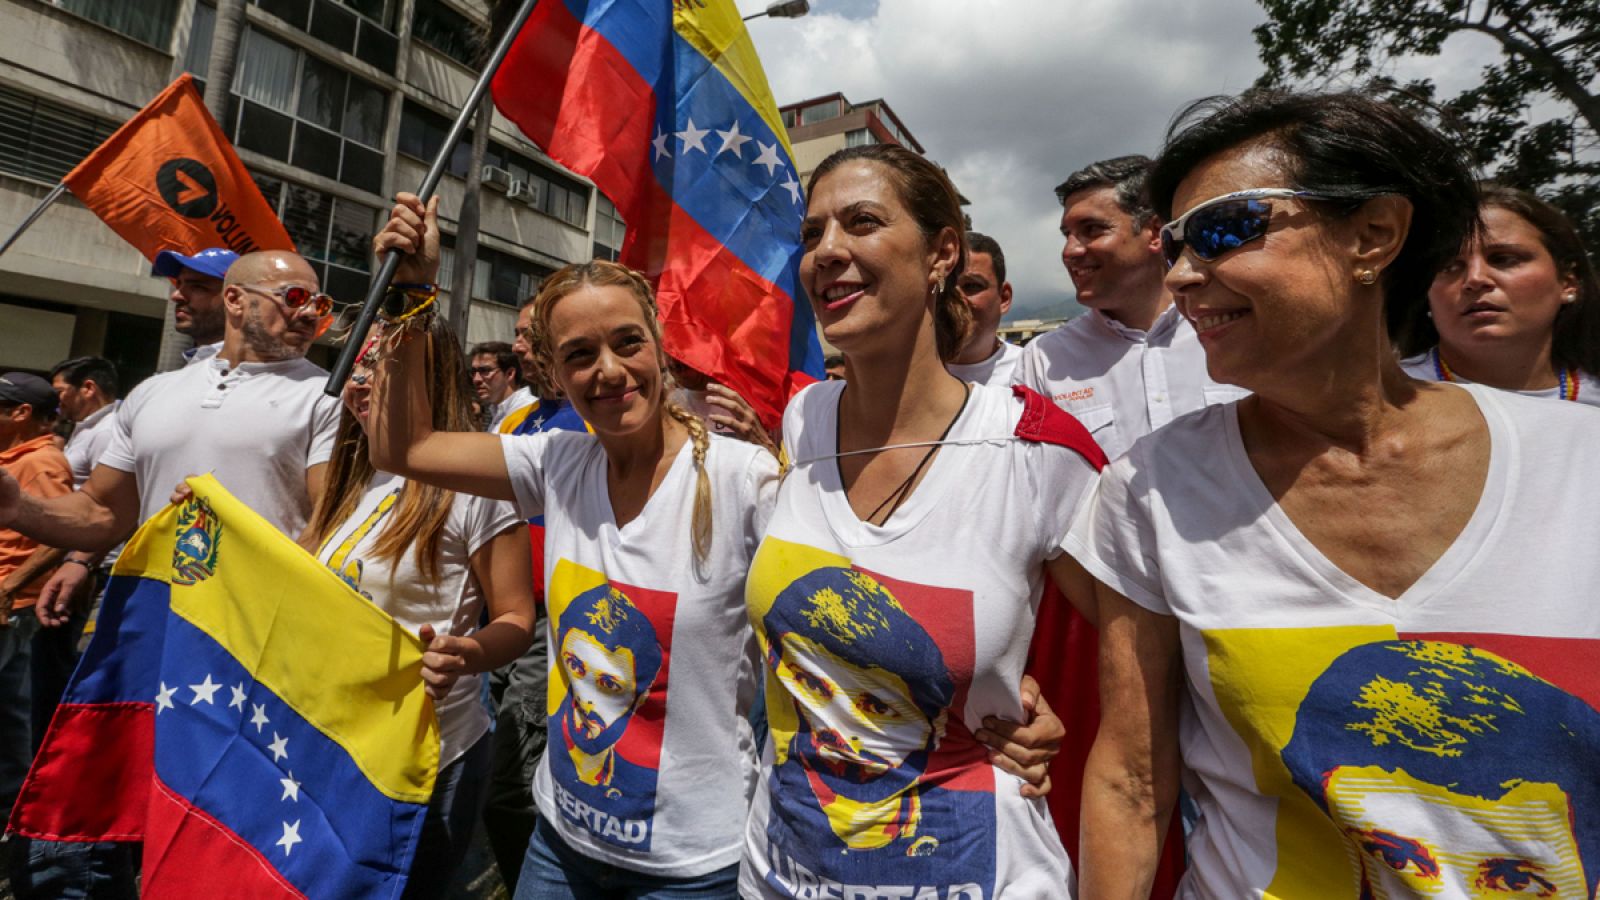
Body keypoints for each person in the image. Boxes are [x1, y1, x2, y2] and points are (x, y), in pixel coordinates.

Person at [1066, 90, 1600, 898]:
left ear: (1374, 234)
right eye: (1172, 244)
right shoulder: (1152, 487)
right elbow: (1132, 784)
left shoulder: (1581, 467)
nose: (1179, 274)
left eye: (1221, 229)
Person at [366, 196, 786, 898]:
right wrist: (409, 298)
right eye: (580, 356)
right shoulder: (557, 462)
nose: (609, 371)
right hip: (560, 845)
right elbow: (401, 445)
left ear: (660, 343)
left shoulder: (747, 480)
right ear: (555, 376)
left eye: (628, 342)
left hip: (693, 867)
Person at [741, 143, 1102, 899]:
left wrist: (1059, 715)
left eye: (862, 222)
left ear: (942, 252)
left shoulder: (1037, 450)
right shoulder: (804, 419)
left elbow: (1149, 674)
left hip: (975, 871)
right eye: (812, 234)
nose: (828, 252)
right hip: (780, 870)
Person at [304, 316, 535, 898]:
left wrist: (469, 653)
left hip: (432, 759)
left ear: (424, 383)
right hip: (340, 745)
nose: (360, 384)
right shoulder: (350, 485)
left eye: (379, 370)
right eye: (356, 368)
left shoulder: (476, 491)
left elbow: (516, 619)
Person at [14, 250, 340, 624]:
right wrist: (16, 506)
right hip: (149, 618)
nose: (312, 314)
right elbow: (102, 512)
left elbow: (330, 524)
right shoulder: (152, 392)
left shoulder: (330, 397)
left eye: (320, 303)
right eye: (295, 298)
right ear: (235, 299)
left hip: (251, 631)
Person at [1016, 155, 1246, 461]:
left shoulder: (1236, 333)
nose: (1070, 251)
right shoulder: (1044, 361)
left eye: (1091, 229)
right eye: (1067, 235)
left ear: (1154, 232)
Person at [1397, 182, 1600, 406]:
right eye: (1449, 266)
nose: (1475, 279)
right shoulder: (1383, 399)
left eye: (1504, 259)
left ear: (1568, 283)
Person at [0, 374, 71, 819]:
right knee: (10, 712)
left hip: (9, 603)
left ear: (21, 413)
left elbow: (61, 533)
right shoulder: (17, 457)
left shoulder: (41, 464)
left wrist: (8, 586)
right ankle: (15, 811)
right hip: (11, 603)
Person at [947, 231, 1022, 387]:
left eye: (971, 286)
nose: (955, 299)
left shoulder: (1029, 372)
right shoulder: (900, 372)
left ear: (1004, 298)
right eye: (945, 286)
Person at [152, 247, 239, 363]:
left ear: (234, 299)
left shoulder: (259, 376)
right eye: (179, 283)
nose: (176, 296)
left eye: (197, 287)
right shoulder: (176, 377)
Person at [472, 341, 531, 429]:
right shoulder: (496, 412)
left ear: (510, 374)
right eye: (473, 372)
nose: (476, 379)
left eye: (485, 371)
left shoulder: (530, 412)